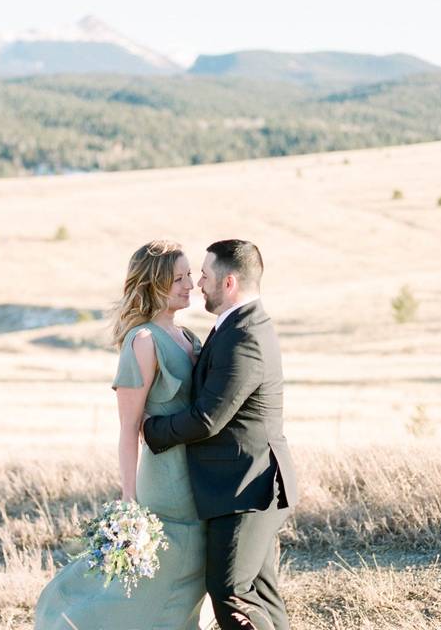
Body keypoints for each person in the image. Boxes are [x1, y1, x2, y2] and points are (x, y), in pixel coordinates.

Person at [34, 240, 209, 629]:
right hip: (166, 483)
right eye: (177, 278)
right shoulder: (143, 341)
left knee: (188, 579)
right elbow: (129, 429)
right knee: (156, 581)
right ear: (153, 284)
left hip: (198, 477)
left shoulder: (189, 338)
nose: (190, 284)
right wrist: (129, 500)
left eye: (189, 275)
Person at [143, 239, 298, 630]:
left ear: (228, 283)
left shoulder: (244, 335)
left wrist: (152, 429)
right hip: (245, 484)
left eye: (205, 275)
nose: (198, 283)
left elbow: (209, 418)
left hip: (249, 487)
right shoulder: (235, 325)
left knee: (230, 591)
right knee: (260, 593)